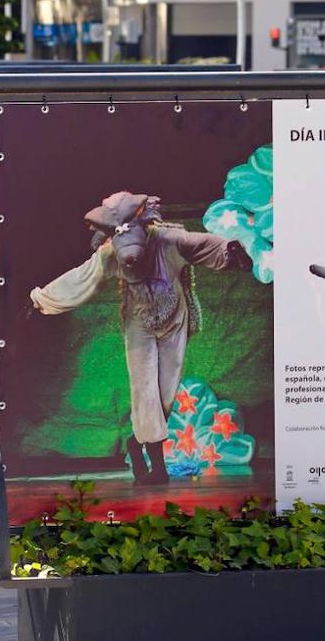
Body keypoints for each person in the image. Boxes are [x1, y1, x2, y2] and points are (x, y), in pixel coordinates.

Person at [30, 192, 251, 486]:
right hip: (140, 325)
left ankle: (136, 444)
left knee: (165, 397)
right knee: (145, 391)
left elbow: (202, 245)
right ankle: (157, 467)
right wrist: (41, 300)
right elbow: (83, 278)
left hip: (173, 320)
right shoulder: (111, 253)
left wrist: (230, 253)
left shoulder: (168, 239)